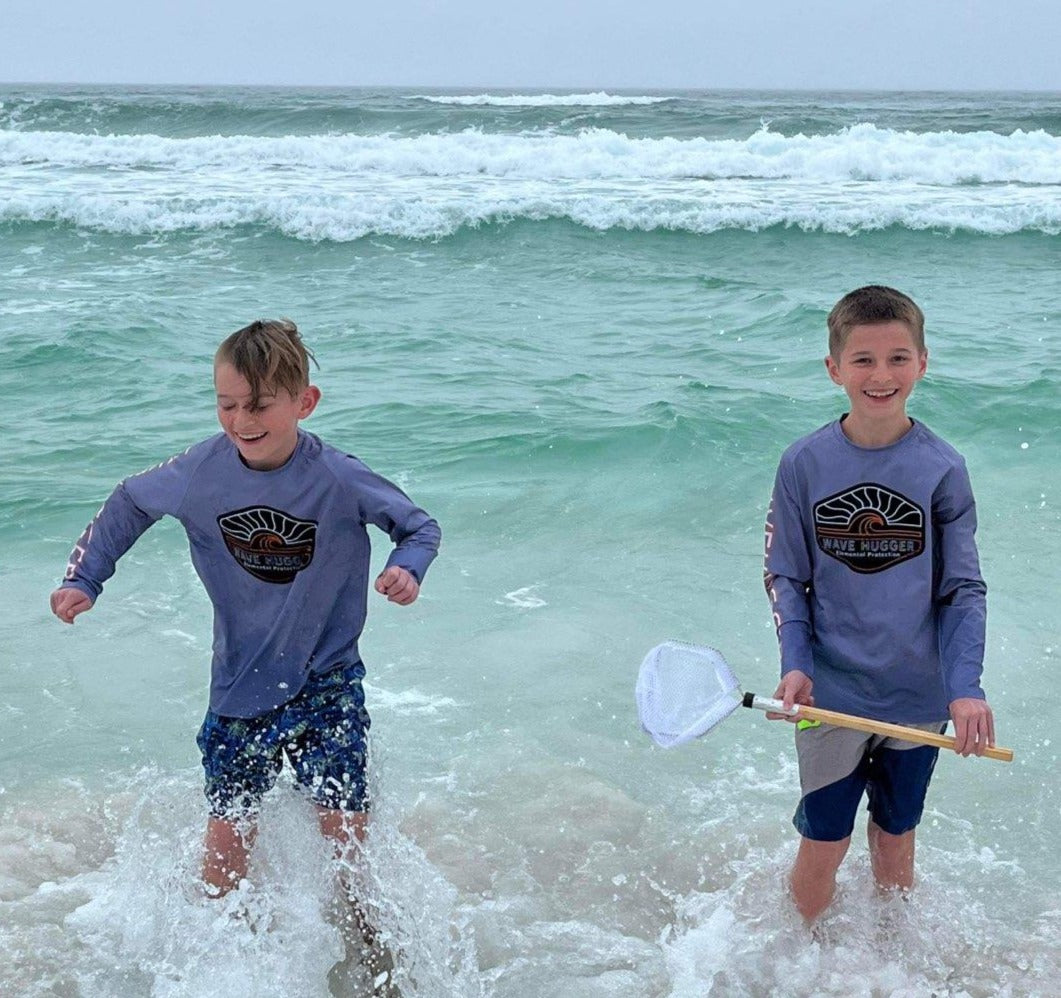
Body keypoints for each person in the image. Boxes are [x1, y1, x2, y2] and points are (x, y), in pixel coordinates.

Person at [50, 318, 441, 905]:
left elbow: (419, 527)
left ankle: (363, 943)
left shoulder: (337, 476)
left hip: (327, 683)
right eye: (227, 405)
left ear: (304, 402)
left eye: (258, 405)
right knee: (228, 842)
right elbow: (130, 500)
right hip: (240, 687)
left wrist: (407, 568)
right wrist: (86, 577)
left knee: (348, 847)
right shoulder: (200, 473)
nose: (241, 421)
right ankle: (221, 949)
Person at [763, 285, 995, 923]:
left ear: (923, 362)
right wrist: (796, 660)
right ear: (834, 369)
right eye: (863, 359)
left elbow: (962, 589)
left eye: (898, 358)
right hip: (829, 695)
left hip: (918, 699)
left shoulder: (942, 468)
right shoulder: (803, 463)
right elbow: (785, 576)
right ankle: (795, 968)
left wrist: (964, 687)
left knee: (895, 838)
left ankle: (893, 967)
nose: (881, 375)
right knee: (823, 840)